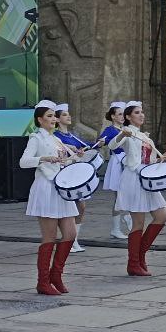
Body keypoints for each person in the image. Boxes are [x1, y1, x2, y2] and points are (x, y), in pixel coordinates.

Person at [20, 101, 79, 295]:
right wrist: (43, 159)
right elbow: (23, 162)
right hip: (46, 188)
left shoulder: (56, 139)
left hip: (61, 188)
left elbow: (64, 161)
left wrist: (75, 156)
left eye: (54, 116)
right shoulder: (36, 138)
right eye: (49, 116)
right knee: (50, 237)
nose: (54, 119)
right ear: (40, 119)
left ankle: (56, 275)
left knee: (70, 234)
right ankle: (43, 282)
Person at [114, 101, 166, 276]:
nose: (141, 115)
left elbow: (148, 160)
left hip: (147, 178)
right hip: (133, 179)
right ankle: (133, 263)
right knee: (138, 222)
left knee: (162, 216)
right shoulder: (127, 133)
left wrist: (161, 159)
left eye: (142, 112)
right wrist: (121, 135)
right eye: (137, 112)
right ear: (128, 117)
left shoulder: (145, 137)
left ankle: (140, 255)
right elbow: (112, 146)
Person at [54, 103, 91, 252]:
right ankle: (67, 239)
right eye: (64, 114)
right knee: (68, 207)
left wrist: (97, 144)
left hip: (74, 172)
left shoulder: (71, 135)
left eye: (68, 114)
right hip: (64, 172)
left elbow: (84, 145)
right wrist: (72, 149)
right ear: (57, 119)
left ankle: (74, 240)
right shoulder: (56, 136)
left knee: (81, 206)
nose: (68, 116)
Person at [99, 102, 130, 239]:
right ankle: (116, 229)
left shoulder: (126, 129)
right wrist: (101, 142)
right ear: (113, 116)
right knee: (119, 196)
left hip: (128, 162)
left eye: (123, 114)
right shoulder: (110, 130)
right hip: (117, 163)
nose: (122, 117)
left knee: (128, 193)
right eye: (119, 114)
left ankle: (127, 217)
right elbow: (101, 141)